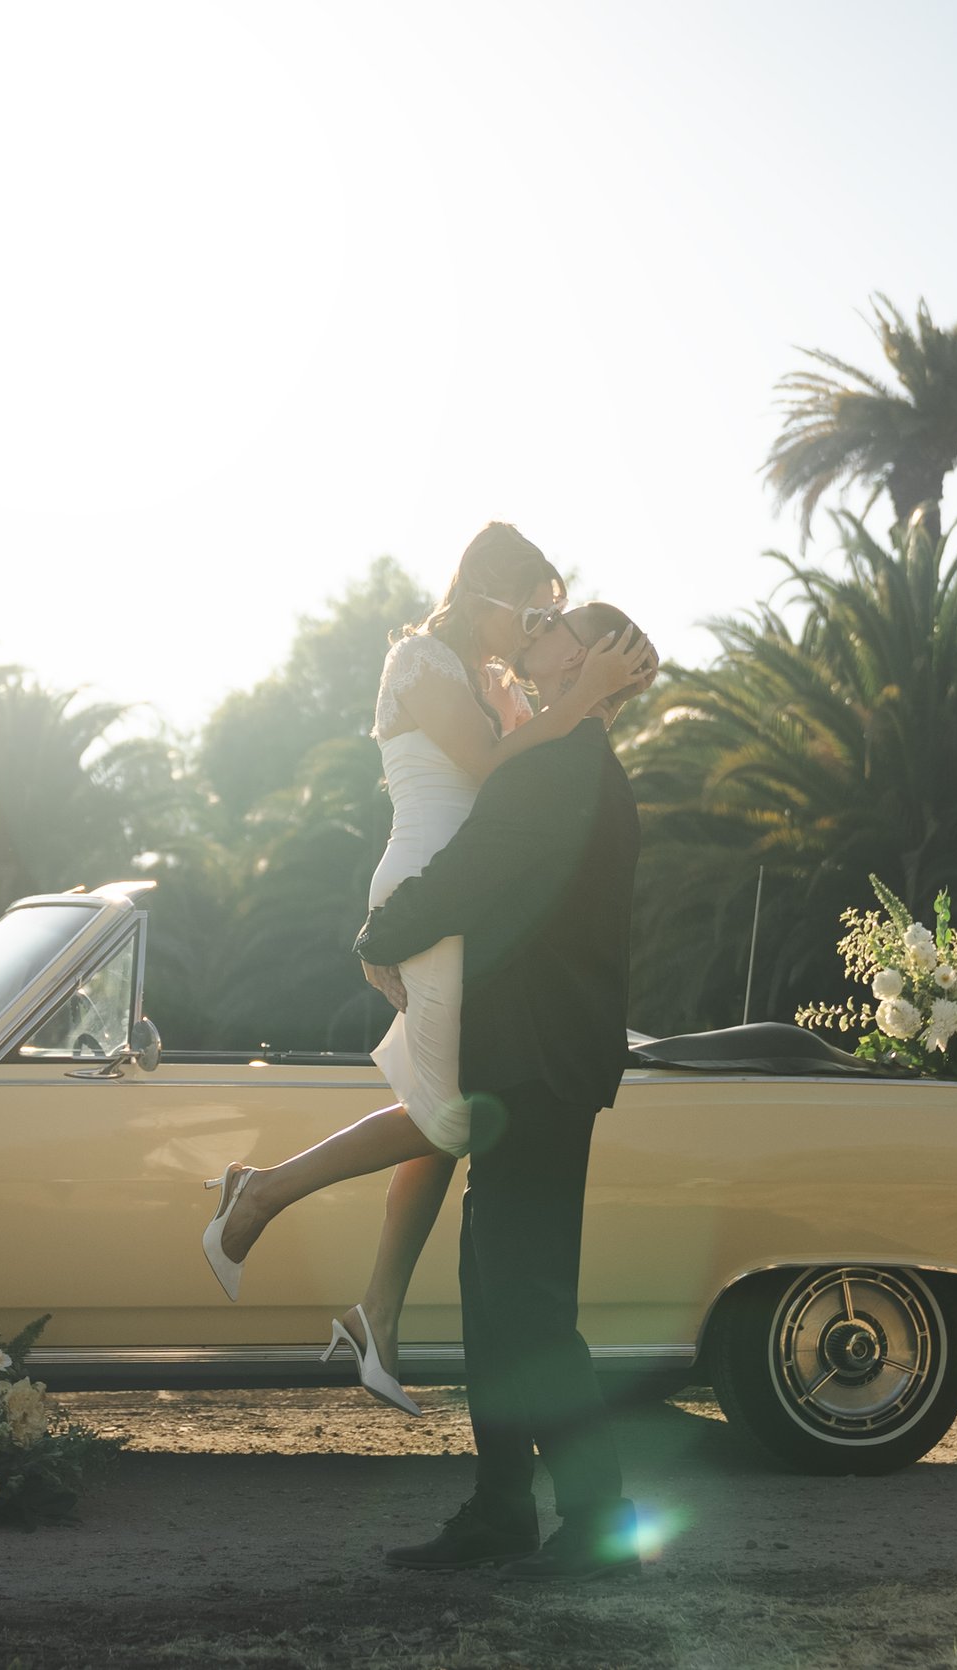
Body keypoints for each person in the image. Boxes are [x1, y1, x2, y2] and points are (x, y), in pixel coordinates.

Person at [199, 526, 654, 1417]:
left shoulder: (493, 682)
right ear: (483, 591)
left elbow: (544, 776)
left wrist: (587, 695)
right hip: (429, 887)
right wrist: (582, 693)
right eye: (529, 612)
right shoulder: (421, 660)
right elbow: (489, 769)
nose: (535, 631)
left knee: (450, 1107)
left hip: (468, 895)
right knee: (450, 1117)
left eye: (550, 616)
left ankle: (378, 1310)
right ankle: (265, 1195)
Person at [360, 595, 649, 1582]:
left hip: (539, 1058)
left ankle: (598, 1517)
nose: (538, 638)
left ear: (596, 657)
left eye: (561, 631)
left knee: (521, 1294)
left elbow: (480, 866)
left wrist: (383, 930)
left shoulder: (564, 764)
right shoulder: (563, 756)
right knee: (492, 1289)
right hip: (526, 1056)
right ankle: (501, 1509)